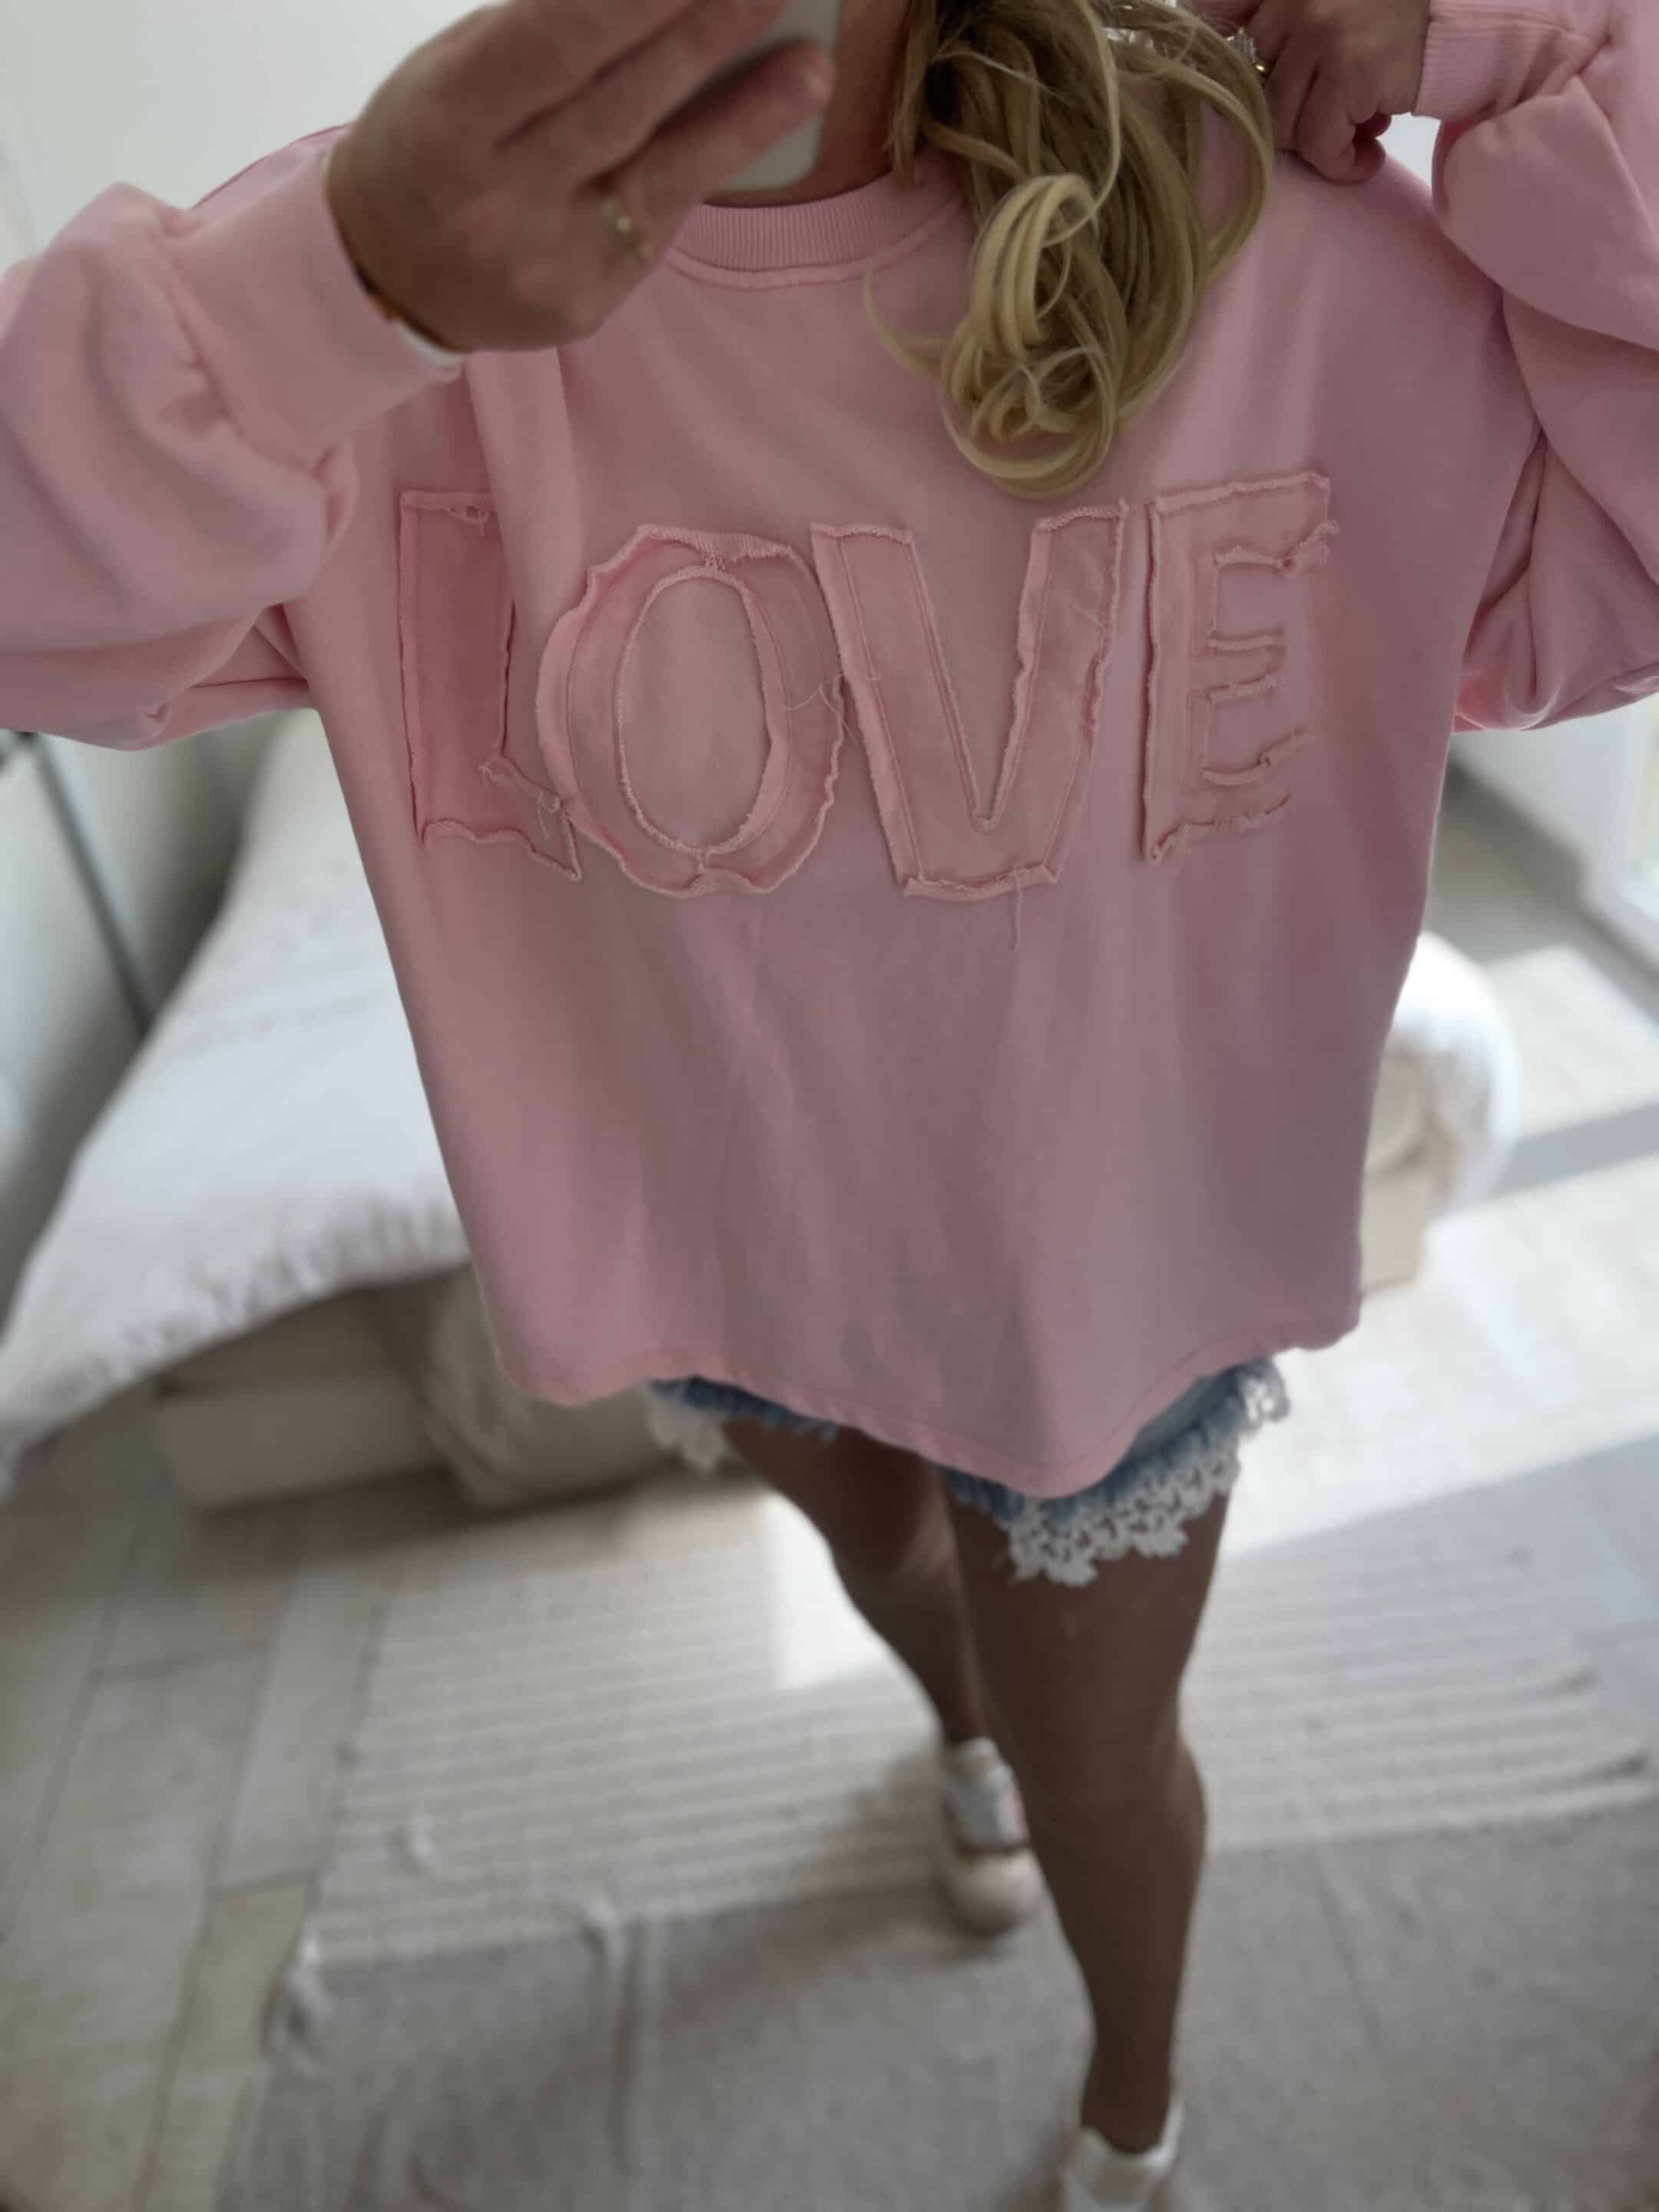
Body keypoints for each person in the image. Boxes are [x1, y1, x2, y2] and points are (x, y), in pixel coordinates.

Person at [2, 0, 1654, 2201]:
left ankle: (1132, 2108)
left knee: (1100, 1767)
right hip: (731, 1241)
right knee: (890, 1563)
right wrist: (335, 292)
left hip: (1109, 1283)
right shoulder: (425, 279)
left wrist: (1526, 35)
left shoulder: (1264, 232)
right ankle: (953, 1728)